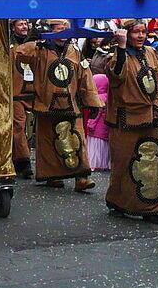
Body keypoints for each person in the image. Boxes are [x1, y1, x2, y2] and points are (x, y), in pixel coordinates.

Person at [12, 18, 102, 192]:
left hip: (71, 103)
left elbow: (86, 76)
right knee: (48, 142)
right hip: (46, 103)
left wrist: (92, 100)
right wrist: (37, 37)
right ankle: (52, 175)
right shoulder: (39, 49)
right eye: (58, 30)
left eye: (65, 30)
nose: (62, 34)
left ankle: (81, 178)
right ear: (50, 31)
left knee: (77, 140)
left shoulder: (74, 51)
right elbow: (20, 53)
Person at [105, 19, 158, 223]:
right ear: (127, 34)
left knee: (151, 163)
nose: (141, 36)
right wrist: (122, 47)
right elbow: (116, 76)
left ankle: (152, 207)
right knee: (124, 163)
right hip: (125, 118)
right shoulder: (117, 56)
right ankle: (120, 201)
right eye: (136, 32)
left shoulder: (152, 53)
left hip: (150, 116)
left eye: (143, 32)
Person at [9, 19, 36, 179]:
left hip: (34, 92)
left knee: (32, 129)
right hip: (16, 92)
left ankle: (18, 159)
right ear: (13, 27)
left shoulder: (35, 45)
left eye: (26, 24)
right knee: (19, 126)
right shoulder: (9, 46)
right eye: (20, 24)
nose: (24, 26)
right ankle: (25, 161)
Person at [85, 73, 110, 171]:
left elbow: (95, 114)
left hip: (96, 130)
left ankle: (96, 164)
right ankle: (105, 164)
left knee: (96, 147)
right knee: (104, 147)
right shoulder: (108, 97)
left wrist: (90, 124)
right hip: (105, 129)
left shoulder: (97, 98)